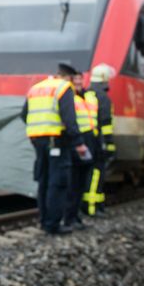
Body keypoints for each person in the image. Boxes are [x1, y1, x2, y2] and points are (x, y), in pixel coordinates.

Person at [21, 61, 88, 235]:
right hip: (56, 140)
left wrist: (37, 130)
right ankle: (53, 224)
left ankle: (44, 221)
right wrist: (78, 142)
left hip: (37, 139)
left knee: (43, 180)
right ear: (69, 77)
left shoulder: (36, 88)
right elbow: (69, 118)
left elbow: (23, 114)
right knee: (57, 183)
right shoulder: (64, 88)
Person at [64, 77, 98, 229]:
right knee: (73, 182)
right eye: (75, 81)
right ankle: (69, 217)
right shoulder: (70, 98)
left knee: (81, 182)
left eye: (80, 80)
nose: (78, 83)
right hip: (76, 142)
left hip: (87, 141)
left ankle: (75, 216)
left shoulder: (85, 98)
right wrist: (77, 143)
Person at [82, 64, 115, 216]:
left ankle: (94, 205)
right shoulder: (103, 97)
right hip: (98, 140)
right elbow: (106, 122)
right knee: (97, 173)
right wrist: (109, 144)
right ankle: (93, 207)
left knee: (87, 172)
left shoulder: (87, 93)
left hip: (85, 138)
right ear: (104, 79)